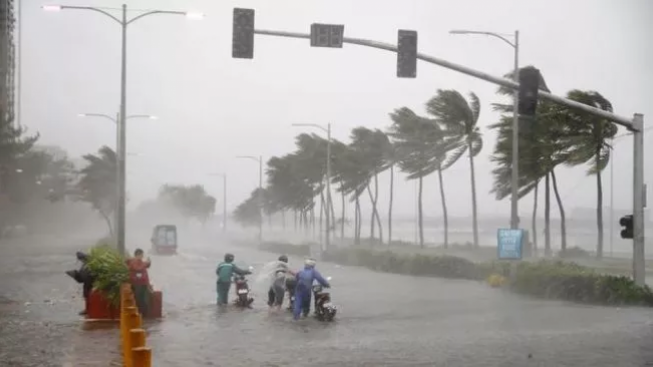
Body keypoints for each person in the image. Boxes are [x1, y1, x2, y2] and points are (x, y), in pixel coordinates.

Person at [65, 251, 95, 315]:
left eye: (81, 259)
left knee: (88, 296)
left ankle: (88, 309)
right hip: (87, 283)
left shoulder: (90, 264)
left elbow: (84, 278)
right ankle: (88, 309)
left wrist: (76, 275)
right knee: (86, 296)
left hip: (90, 283)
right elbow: (82, 278)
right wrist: (75, 274)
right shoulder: (85, 264)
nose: (81, 261)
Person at [126, 249, 152, 317]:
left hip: (143, 283)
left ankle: (142, 314)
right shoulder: (134, 262)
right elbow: (138, 268)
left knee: (142, 299)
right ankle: (140, 314)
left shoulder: (139, 262)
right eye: (141, 255)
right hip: (137, 283)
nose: (142, 256)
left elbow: (146, 266)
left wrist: (148, 262)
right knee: (139, 299)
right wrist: (146, 263)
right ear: (138, 255)